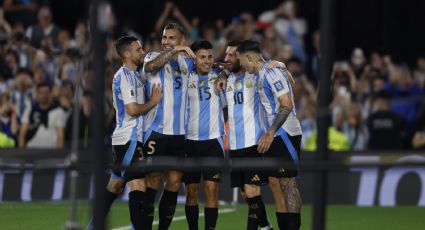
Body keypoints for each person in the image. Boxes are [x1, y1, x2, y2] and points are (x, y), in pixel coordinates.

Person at [88, 36, 162, 229]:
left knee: (115, 186)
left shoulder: (135, 75)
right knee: (138, 186)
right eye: (138, 49)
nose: (143, 52)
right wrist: (152, 103)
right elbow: (132, 110)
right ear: (127, 54)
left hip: (127, 138)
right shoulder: (124, 76)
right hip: (128, 138)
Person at [236, 40, 302, 230]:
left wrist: (271, 132)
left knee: (288, 185)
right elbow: (292, 83)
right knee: (279, 185)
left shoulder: (270, 72)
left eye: (242, 60)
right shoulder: (265, 72)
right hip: (275, 134)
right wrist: (284, 67)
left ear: (249, 57)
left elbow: (287, 104)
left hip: (284, 133)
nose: (241, 64)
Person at [142, 22, 195, 230]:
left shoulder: (187, 63)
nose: (166, 42)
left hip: (179, 135)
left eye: (172, 38)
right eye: (165, 37)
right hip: (156, 131)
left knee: (173, 184)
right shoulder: (151, 57)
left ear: (183, 41)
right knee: (152, 181)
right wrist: (175, 49)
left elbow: (212, 66)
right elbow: (150, 68)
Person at [217, 40, 273, 230]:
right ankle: (265, 225)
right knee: (246, 194)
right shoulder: (227, 80)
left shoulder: (256, 76)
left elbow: (263, 64)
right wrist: (223, 73)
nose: (227, 58)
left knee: (251, 191)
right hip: (234, 146)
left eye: (231, 55)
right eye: (226, 55)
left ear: (242, 57)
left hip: (253, 143)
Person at [183, 40, 225, 230]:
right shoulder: (185, 78)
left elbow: (238, 64)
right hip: (189, 143)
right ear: (194, 59)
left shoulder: (219, 78)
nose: (207, 61)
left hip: (213, 142)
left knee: (211, 190)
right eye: (202, 57)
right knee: (191, 192)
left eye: (210, 57)